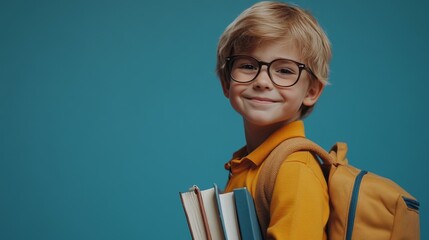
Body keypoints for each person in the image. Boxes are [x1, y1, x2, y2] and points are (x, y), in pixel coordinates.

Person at [215, 1, 332, 239]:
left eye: (285, 70)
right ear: (227, 83)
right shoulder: (249, 164)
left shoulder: (294, 170)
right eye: (248, 66)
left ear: (311, 91)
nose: (263, 81)